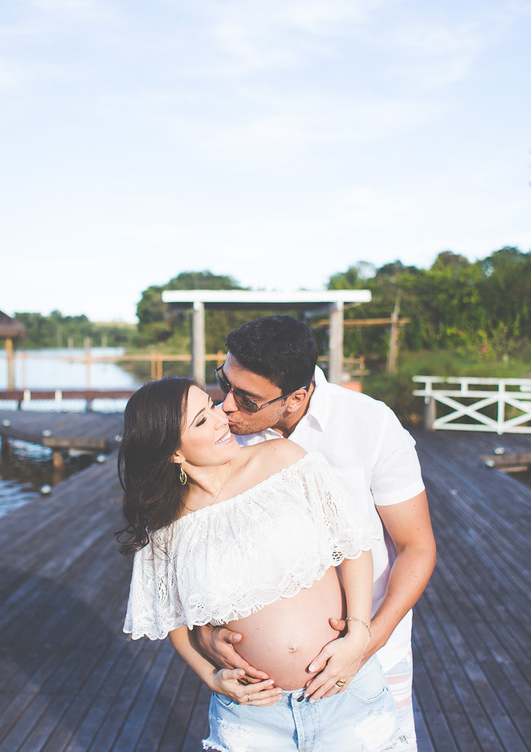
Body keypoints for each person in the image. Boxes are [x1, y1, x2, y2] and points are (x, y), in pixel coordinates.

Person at [119, 377, 401, 751]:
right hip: (252, 718)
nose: (221, 419)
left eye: (212, 405)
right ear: (173, 452)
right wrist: (210, 676)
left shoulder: (282, 458)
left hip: (343, 693)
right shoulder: (167, 526)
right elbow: (171, 618)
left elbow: (353, 545)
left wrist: (359, 633)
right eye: (201, 421)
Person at [196, 315, 437, 752]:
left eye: (247, 399)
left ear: (296, 397)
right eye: (223, 383)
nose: (226, 406)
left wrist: (366, 642)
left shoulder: (370, 423)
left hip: (374, 665)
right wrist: (203, 632)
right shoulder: (219, 438)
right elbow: (193, 545)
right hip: (260, 695)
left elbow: (415, 546)